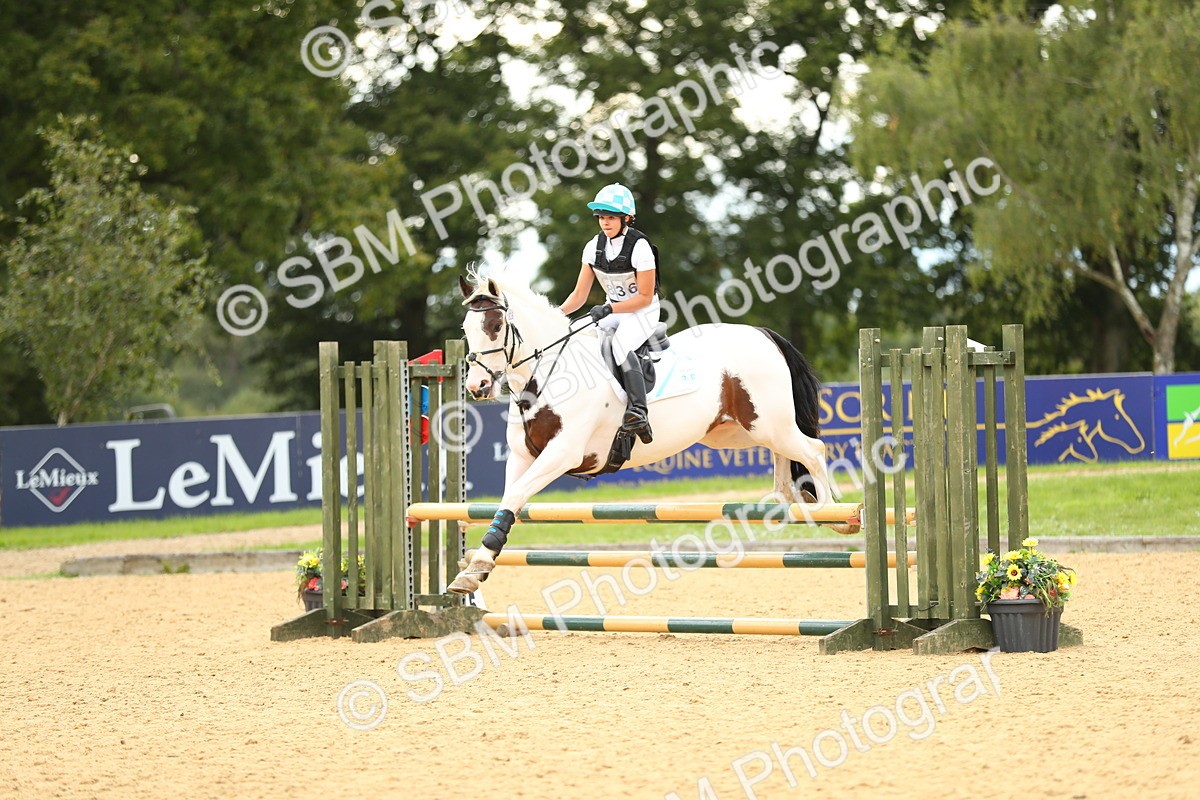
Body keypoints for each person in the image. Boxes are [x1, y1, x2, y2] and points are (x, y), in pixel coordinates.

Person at [559, 183, 660, 444]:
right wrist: (556, 316)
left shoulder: (640, 247)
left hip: (642, 310)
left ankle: (638, 410)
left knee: (619, 344)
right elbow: (579, 296)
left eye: (611, 217)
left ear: (626, 218)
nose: (605, 223)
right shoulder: (593, 247)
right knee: (572, 333)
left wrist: (609, 309)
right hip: (612, 308)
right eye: (602, 217)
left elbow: (645, 297)